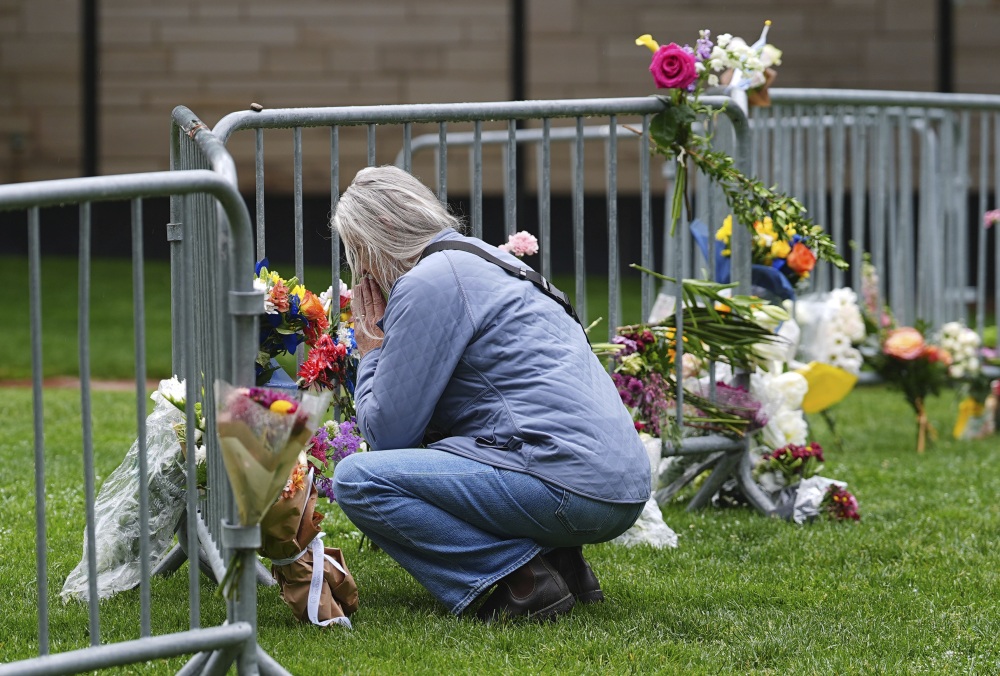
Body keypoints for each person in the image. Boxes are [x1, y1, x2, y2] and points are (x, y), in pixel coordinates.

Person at [331, 165, 650, 622]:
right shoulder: (488, 261)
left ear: (378, 235)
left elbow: (388, 436)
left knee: (360, 479)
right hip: (623, 487)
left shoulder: (428, 281)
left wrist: (372, 351)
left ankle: (523, 581)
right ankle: (562, 561)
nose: (361, 270)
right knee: (465, 444)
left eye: (357, 253)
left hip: (569, 488)